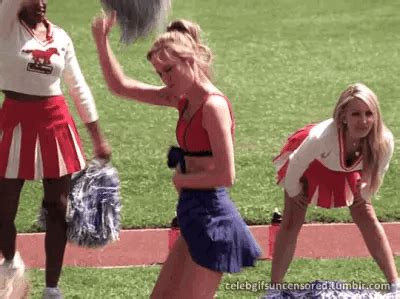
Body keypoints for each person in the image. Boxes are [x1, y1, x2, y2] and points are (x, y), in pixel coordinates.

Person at [92, 12, 261, 299]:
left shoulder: (213, 106)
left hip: (213, 218)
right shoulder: (182, 99)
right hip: (193, 213)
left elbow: (226, 174)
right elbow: (121, 86)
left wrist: (183, 180)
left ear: (190, 61)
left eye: (169, 70)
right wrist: (101, 41)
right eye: (159, 73)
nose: (164, 79)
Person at [0, 0, 111, 298]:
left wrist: (97, 134)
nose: (41, 2)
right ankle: (10, 263)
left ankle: (52, 288)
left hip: (55, 123)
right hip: (14, 122)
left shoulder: (60, 37)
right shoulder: (5, 24)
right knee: (4, 208)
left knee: (58, 208)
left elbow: (78, 86)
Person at [271, 83, 399, 290]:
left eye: (369, 113)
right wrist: (295, 191)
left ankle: (396, 285)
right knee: (293, 218)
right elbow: (296, 163)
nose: (364, 121)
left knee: (365, 213)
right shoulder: (320, 138)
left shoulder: (383, 140)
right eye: (356, 114)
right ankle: (273, 289)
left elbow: (376, 175)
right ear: (343, 116)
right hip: (310, 164)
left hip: (345, 168)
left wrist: (363, 194)